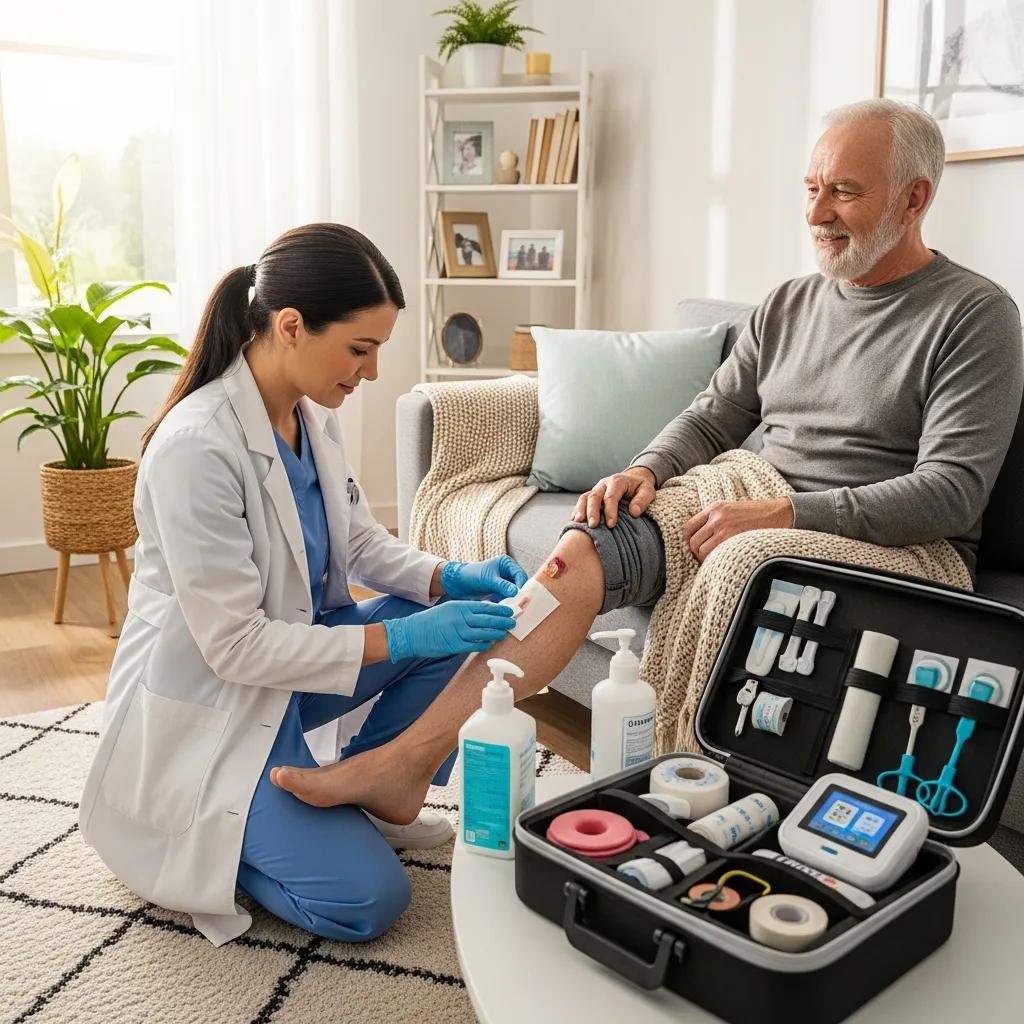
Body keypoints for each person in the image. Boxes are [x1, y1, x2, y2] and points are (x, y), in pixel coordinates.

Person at [267, 100, 1022, 829]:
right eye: (812, 188)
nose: (817, 212)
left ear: (915, 198)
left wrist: (787, 514)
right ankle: (408, 763)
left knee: (744, 561)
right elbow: (716, 413)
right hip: (762, 499)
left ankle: (685, 785)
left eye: (844, 193)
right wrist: (648, 470)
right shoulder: (791, 302)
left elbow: (951, 494)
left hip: (896, 545)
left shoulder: (972, 316)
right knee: (582, 545)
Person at [78, 223, 529, 946]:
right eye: (361, 348)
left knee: (463, 617)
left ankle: (369, 782)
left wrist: (449, 575)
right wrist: (404, 634)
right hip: (217, 705)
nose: (373, 372)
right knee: (367, 901)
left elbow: (356, 543)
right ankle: (207, 850)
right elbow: (235, 649)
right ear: (291, 327)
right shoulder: (198, 448)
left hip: (291, 674)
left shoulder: (309, 420)